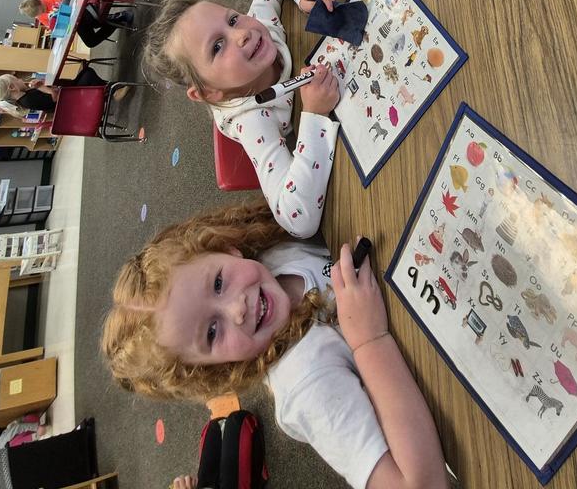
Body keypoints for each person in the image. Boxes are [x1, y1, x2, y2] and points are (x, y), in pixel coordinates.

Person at [101, 200, 449, 489]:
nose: (237, 309)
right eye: (212, 332)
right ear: (215, 369)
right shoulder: (305, 387)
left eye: (218, 283)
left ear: (225, 250)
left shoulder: (272, 255)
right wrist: (370, 340)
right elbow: (422, 484)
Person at [142, 0, 339, 236]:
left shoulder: (259, 28)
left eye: (232, 19)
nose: (241, 34)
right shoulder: (252, 121)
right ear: (208, 90)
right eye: (217, 47)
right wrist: (314, 114)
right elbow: (297, 219)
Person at [0, 66, 115, 116]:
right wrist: (42, 87)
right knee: (88, 74)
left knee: (85, 71)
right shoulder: (28, 100)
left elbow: (51, 93)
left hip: (67, 97)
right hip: (70, 102)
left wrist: (43, 86)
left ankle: (108, 89)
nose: (20, 79)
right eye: (16, 79)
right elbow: (56, 99)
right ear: (12, 87)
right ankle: (110, 93)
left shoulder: (26, 96)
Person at [19, 0, 133, 48]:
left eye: (43, 9)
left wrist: (60, 12)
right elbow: (53, 27)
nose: (44, 12)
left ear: (40, 2)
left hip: (83, 10)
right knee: (90, 42)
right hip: (76, 24)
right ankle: (115, 23)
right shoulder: (40, 16)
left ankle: (120, 17)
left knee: (94, 21)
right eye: (41, 13)